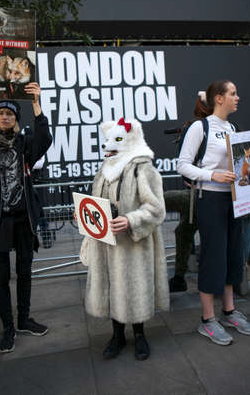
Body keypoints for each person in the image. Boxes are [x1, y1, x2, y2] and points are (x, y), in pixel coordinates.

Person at [177, 80, 250, 346]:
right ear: (218, 98)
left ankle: (229, 312)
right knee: (213, 257)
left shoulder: (233, 128)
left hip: (236, 201)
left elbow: (243, 166)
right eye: (233, 93)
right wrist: (211, 174)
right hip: (211, 200)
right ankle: (208, 320)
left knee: (233, 256)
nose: (237, 98)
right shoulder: (199, 127)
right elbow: (182, 165)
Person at [0, 82, 53, 353]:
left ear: (16, 120)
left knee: (25, 271)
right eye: (1, 113)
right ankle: (7, 327)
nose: (5, 117)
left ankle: (24, 318)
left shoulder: (26, 145)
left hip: (22, 219)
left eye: (11, 114)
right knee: (1, 276)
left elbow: (45, 139)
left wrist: (36, 103)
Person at [80, 118, 169, 360]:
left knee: (135, 287)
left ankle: (140, 335)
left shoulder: (144, 168)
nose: (108, 146)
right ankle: (117, 335)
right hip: (107, 242)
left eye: (116, 140)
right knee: (113, 287)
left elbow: (157, 208)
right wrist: (89, 221)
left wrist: (132, 219)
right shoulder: (105, 168)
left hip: (133, 245)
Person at [167, 92, 210, 292]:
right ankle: (179, 278)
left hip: (202, 194)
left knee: (159, 201)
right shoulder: (200, 127)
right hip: (200, 193)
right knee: (184, 231)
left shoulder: (201, 127)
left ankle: (180, 277)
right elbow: (185, 164)